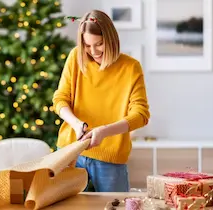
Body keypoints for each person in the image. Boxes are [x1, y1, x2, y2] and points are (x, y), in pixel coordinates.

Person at [52, 10, 150, 192]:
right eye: (87, 45)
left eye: (99, 44)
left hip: (110, 160)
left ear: (111, 39)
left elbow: (141, 115)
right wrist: (76, 124)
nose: (93, 51)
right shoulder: (76, 57)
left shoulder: (130, 68)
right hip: (70, 153)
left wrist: (104, 131)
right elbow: (60, 99)